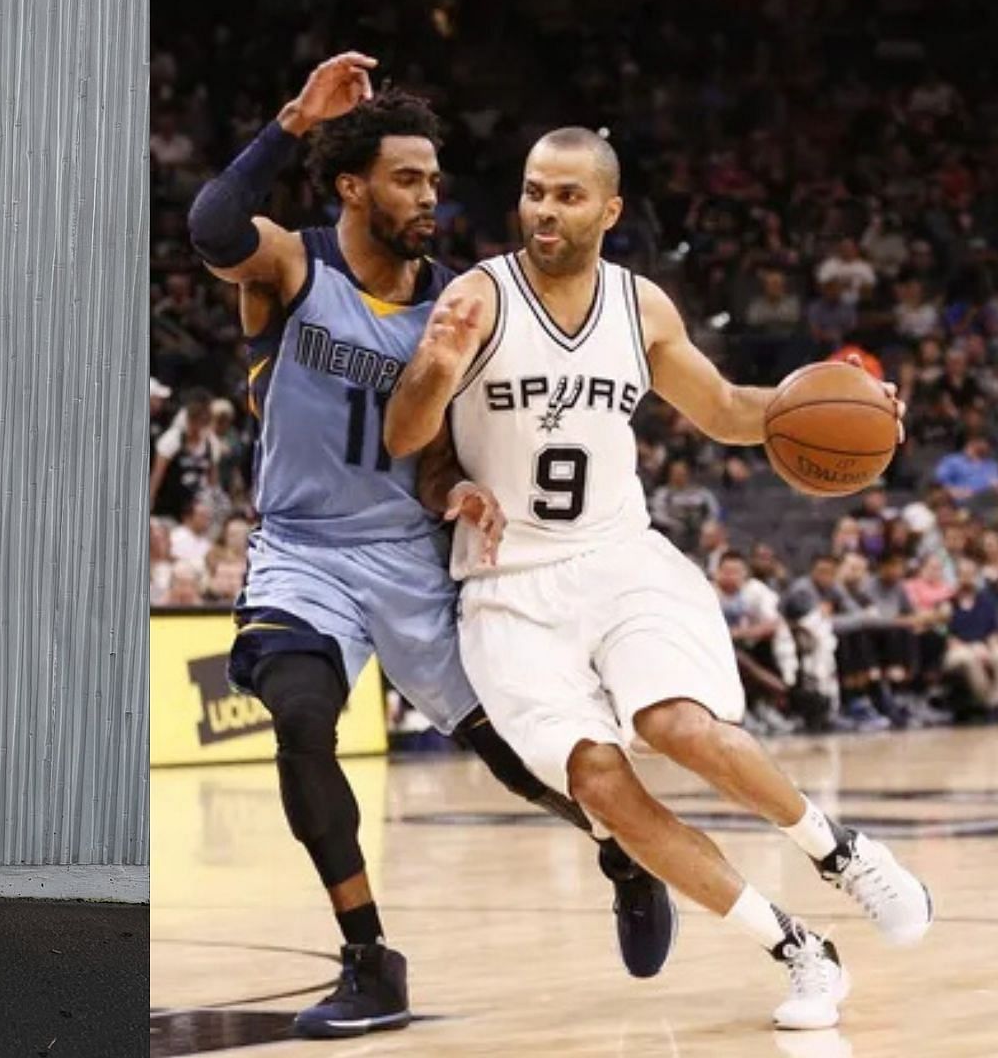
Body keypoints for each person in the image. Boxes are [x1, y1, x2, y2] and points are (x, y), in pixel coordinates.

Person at [384, 129, 932, 1031]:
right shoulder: (475, 298)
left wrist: (862, 408)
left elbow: (726, 412)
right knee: (598, 783)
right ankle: (797, 948)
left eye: (565, 195)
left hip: (619, 559)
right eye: (532, 192)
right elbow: (413, 444)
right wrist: (442, 407)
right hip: (507, 588)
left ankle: (841, 853)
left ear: (610, 209)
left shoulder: (642, 309)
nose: (543, 211)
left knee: (675, 722)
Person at [186, 56, 673, 1038]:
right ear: (353, 186)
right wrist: (291, 120)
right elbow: (210, 229)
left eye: (435, 180)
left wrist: (464, 493)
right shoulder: (294, 264)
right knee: (299, 716)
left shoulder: (460, 303)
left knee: (515, 754)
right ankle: (370, 960)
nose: (429, 196)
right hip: (305, 550)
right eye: (408, 178)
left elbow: (443, 456)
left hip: (413, 557)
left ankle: (624, 850)